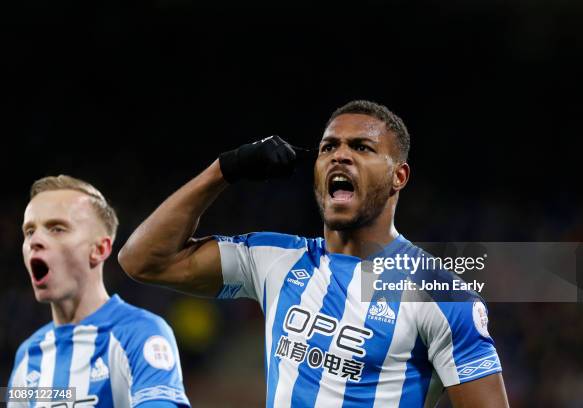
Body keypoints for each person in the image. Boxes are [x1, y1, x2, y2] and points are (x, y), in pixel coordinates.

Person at [119, 100, 509, 407]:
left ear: (398, 177)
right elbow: (143, 260)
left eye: (361, 147)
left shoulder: (440, 294)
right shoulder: (274, 259)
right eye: (329, 147)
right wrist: (225, 169)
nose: (340, 155)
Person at [8, 175, 190, 408]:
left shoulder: (141, 334)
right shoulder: (27, 355)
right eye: (29, 231)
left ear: (100, 249)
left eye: (57, 229)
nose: (35, 240)